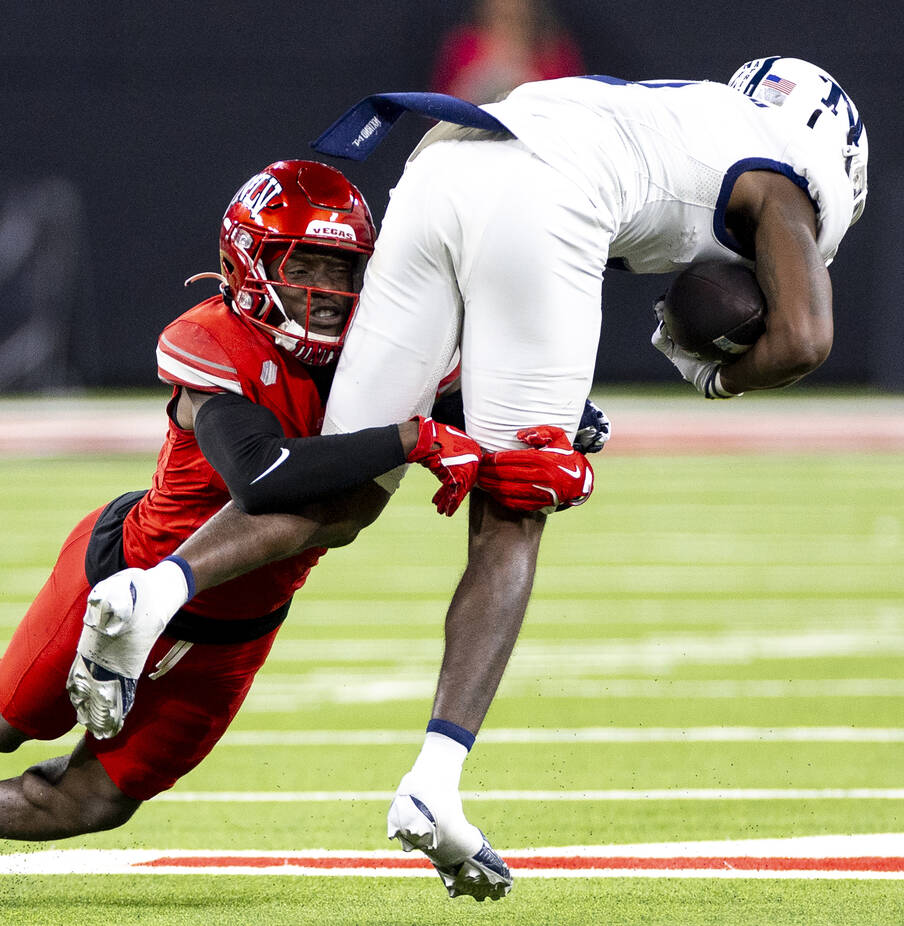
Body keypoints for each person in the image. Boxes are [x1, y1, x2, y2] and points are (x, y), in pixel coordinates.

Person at [76, 57, 868, 901]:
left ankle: (154, 592)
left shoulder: (694, 114)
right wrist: (711, 376)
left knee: (344, 486)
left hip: (446, 159)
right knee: (515, 507)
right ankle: (436, 781)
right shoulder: (787, 178)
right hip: (549, 192)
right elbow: (805, 338)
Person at [0, 157, 518, 907]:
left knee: (95, 802)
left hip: (236, 632)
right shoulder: (212, 341)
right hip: (121, 581)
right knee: (8, 720)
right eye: (304, 262)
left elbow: (470, 408)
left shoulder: (379, 354)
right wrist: (413, 439)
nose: (327, 292)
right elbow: (264, 479)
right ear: (249, 260)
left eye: (342, 268)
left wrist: (541, 425)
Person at [430, 0, 584, 103]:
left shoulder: (552, 49)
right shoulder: (463, 46)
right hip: (476, 140)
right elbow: (440, 106)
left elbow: (570, 102)